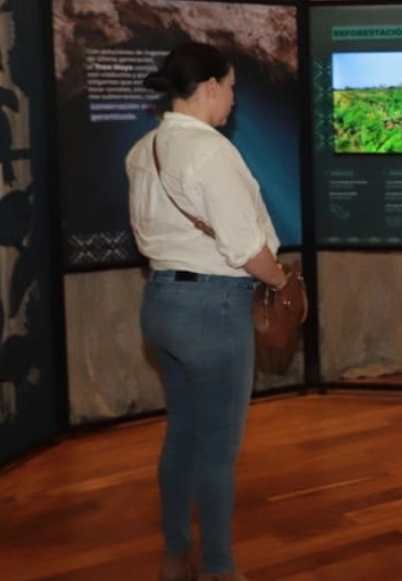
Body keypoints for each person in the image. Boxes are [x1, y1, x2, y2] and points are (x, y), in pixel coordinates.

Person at [125, 41, 294, 581]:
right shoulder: (212, 151)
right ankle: (219, 569)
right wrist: (280, 281)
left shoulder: (143, 149)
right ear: (212, 87)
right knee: (219, 450)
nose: (234, 100)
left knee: (182, 433)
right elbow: (245, 250)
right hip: (213, 309)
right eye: (233, 88)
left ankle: (175, 555)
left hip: (160, 304)